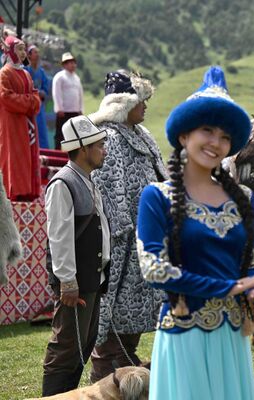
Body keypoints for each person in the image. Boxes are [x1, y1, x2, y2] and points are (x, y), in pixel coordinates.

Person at [137, 66, 254, 400]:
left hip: (232, 336)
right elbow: (154, 269)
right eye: (207, 130)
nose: (216, 142)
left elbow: (253, 259)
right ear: (184, 135)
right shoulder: (157, 196)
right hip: (184, 335)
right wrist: (229, 287)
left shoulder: (243, 198)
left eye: (225, 136)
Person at [89, 71, 167, 380]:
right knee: (114, 320)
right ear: (124, 105)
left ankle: (124, 372)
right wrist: (121, 240)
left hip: (143, 242)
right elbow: (109, 195)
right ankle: (108, 380)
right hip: (122, 247)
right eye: (141, 101)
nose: (146, 106)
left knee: (129, 322)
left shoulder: (141, 135)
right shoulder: (108, 138)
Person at [42, 116, 110, 395]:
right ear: (83, 149)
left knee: (82, 346)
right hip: (76, 283)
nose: (104, 150)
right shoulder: (63, 183)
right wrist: (67, 281)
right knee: (66, 349)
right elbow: (59, 237)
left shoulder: (88, 180)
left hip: (91, 280)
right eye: (99, 145)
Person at [0, 35, 41, 201]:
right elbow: (6, 98)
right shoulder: (4, 73)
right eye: (19, 48)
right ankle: (12, 193)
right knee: (13, 155)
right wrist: (30, 102)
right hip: (12, 124)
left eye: (24, 49)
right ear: (9, 50)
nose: (23, 53)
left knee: (27, 157)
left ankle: (26, 193)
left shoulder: (26, 74)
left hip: (27, 123)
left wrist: (31, 102)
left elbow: (36, 98)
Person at [52, 52, 83, 150]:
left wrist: (80, 109)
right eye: (70, 63)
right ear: (64, 64)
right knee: (60, 135)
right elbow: (56, 93)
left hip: (74, 111)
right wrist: (59, 108)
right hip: (63, 112)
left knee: (73, 135)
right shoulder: (59, 76)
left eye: (74, 62)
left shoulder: (77, 78)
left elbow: (80, 95)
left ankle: (72, 155)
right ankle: (57, 153)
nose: (73, 65)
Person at [25, 44, 50, 149]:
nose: (38, 55)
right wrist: (36, 92)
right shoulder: (25, 71)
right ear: (29, 55)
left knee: (42, 130)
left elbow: (45, 87)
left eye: (38, 52)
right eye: (35, 52)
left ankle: (44, 152)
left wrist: (43, 92)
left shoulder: (42, 72)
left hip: (40, 106)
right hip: (29, 106)